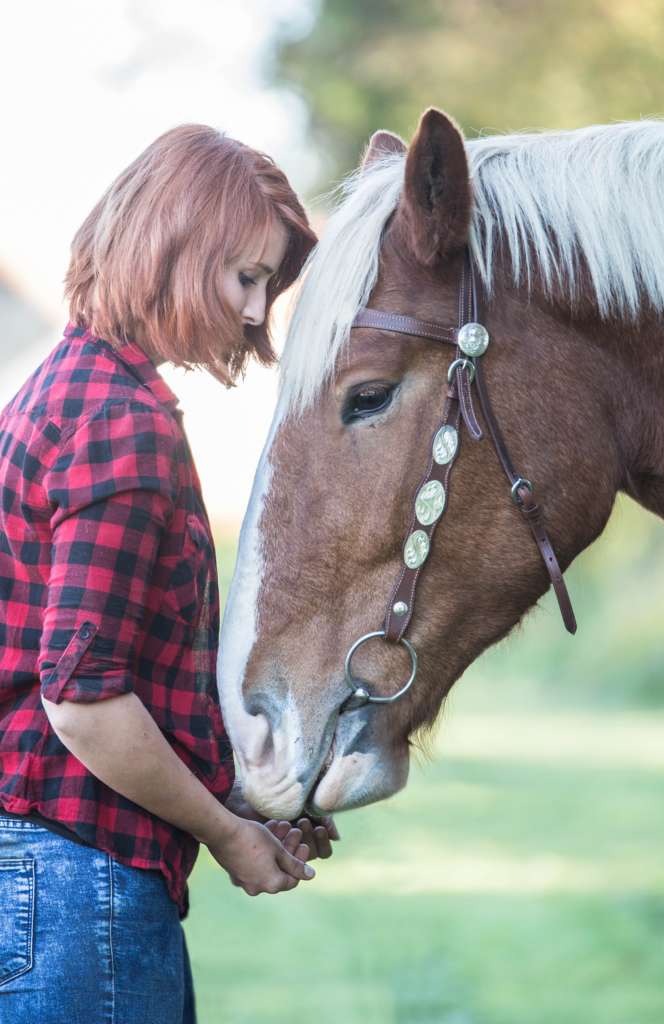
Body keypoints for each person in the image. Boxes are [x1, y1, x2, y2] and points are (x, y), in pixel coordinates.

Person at [0, 124, 336, 1024]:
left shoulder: (63, 388)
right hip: (80, 890)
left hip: (46, 879)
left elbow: (108, 685)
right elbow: (83, 704)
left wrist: (245, 794)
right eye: (248, 276)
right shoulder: (120, 422)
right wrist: (228, 837)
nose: (260, 312)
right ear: (175, 247)